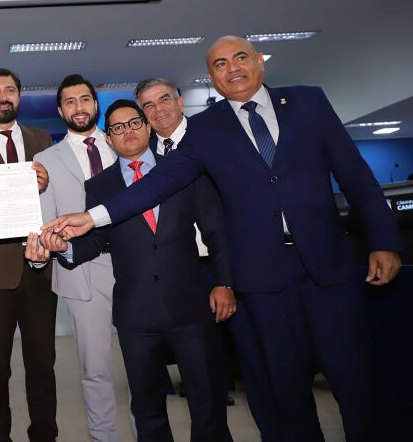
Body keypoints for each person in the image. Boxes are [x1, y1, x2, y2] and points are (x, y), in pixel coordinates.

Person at [44, 36, 403, 442]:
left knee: (355, 378)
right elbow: (158, 183)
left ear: (259, 62)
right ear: (211, 77)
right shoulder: (204, 129)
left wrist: (383, 239)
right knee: (286, 387)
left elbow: (355, 174)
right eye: (219, 64)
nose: (232, 68)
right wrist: (91, 217)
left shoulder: (308, 102)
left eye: (240, 57)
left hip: (328, 265)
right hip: (263, 277)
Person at [36, 99, 235, 442]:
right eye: (117, 127)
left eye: (133, 123)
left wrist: (224, 283)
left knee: (208, 401)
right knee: (147, 406)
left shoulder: (182, 169)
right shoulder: (99, 186)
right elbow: (95, 241)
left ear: (147, 127)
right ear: (108, 139)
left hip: (190, 305)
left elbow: (216, 232)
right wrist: (64, 248)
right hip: (136, 314)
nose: (126, 131)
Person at [136, 78, 279, 441]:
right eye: (148, 105)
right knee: (203, 376)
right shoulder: (143, 157)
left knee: (256, 362)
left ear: (180, 102)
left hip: (235, 265)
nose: (158, 109)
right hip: (181, 275)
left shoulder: (216, 136)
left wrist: (224, 279)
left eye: (164, 99)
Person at [0, 68, 57, 442]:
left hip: (39, 266)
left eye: (10, 90)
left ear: (19, 96)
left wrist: (47, 183)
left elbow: (58, 200)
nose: (3, 96)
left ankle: (45, 436)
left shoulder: (44, 140)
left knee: (43, 364)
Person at [32, 74, 123, 442]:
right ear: (60, 110)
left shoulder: (123, 142)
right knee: (95, 368)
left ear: (96, 104)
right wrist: (40, 252)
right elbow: (44, 221)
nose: (79, 107)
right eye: (70, 102)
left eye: (85, 99)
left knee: (143, 362)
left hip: (136, 263)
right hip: (82, 267)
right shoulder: (45, 160)